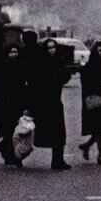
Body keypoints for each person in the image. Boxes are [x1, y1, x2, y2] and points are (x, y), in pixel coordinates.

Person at [0, 29, 31, 167]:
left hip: (16, 103)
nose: (13, 55)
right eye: (11, 52)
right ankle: (11, 155)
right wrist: (0, 92)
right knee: (8, 130)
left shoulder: (22, 66)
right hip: (3, 103)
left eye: (15, 52)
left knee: (14, 130)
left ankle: (10, 153)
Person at [28, 37, 72, 170]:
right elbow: (35, 84)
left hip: (55, 101)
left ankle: (58, 159)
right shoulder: (40, 64)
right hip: (44, 102)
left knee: (59, 132)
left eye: (54, 47)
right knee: (49, 131)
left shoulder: (58, 61)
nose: (52, 50)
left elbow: (64, 76)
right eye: (49, 48)